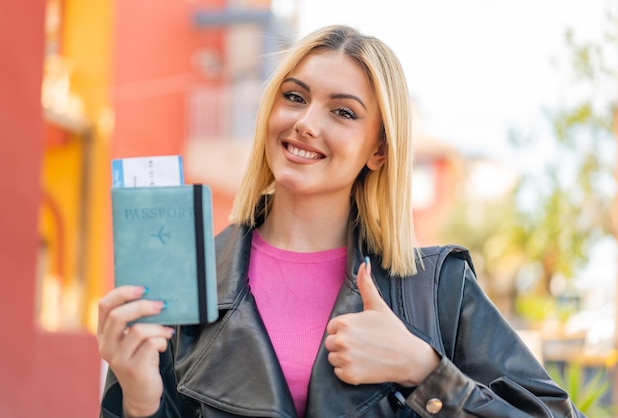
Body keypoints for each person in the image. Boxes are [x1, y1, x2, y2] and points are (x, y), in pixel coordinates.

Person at [97, 24, 584, 417]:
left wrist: (424, 370)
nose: (307, 122)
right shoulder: (186, 281)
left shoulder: (437, 290)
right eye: (294, 97)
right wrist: (139, 401)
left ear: (378, 150)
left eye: (343, 112)